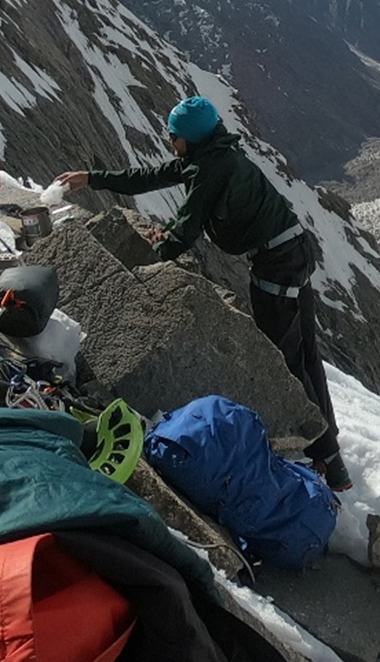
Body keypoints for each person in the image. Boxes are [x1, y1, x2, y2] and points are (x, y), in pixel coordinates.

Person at [56, 95, 351, 491]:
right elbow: (154, 176)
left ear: (191, 138)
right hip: (293, 250)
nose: (171, 143)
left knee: (284, 361)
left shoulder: (212, 167)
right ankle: (331, 455)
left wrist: (147, 257)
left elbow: (186, 228)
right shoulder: (215, 154)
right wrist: (93, 178)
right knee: (305, 354)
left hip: (276, 265)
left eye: (175, 137)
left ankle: (328, 463)